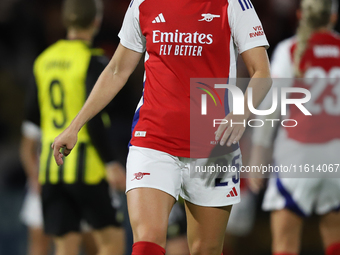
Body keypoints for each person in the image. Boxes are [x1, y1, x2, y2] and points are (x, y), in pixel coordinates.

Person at [52, 0, 272, 254]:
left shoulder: (233, 4)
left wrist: (241, 113)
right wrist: (75, 126)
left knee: (206, 249)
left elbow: (261, 72)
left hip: (213, 145)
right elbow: (116, 70)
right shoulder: (143, 4)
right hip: (152, 140)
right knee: (147, 243)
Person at [23, 0, 126, 254]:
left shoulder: (43, 61)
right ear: (96, 21)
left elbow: (32, 121)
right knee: (111, 242)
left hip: (51, 169)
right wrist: (111, 163)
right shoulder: (95, 62)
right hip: (89, 168)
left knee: (65, 247)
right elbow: (93, 122)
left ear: (66, 21)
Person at [248, 0, 340, 254]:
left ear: (300, 15)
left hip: (298, 155)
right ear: (333, 18)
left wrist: (258, 155)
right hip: (337, 156)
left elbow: (270, 109)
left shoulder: (290, 50)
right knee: (335, 237)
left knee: (285, 242)